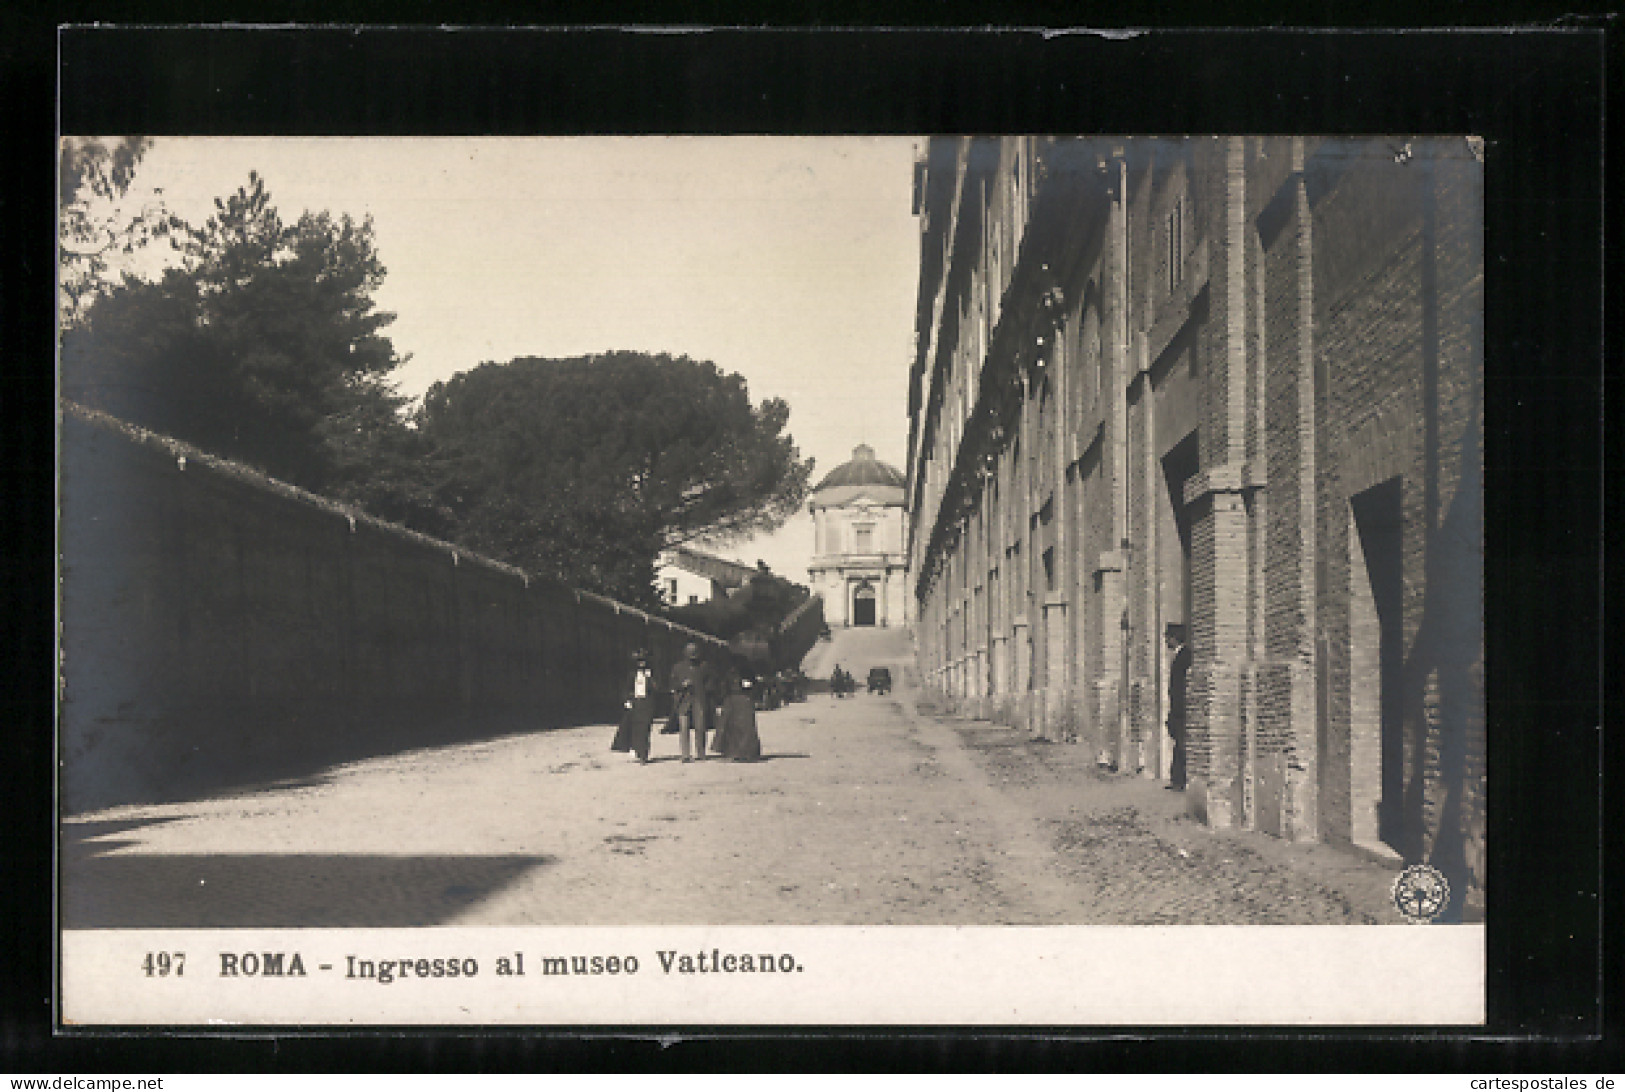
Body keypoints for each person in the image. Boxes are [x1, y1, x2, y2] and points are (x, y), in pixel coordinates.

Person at [610, 649, 657, 764]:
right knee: (636, 728)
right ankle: (638, 750)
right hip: (636, 702)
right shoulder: (632, 674)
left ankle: (644, 754)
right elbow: (627, 688)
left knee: (645, 729)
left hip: (647, 703)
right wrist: (627, 700)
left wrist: (649, 678)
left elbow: (656, 688)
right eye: (640, 661)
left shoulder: (651, 673)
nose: (642, 663)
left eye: (644, 661)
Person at [669, 642, 712, 763]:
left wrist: (706, 692)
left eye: (694, 652)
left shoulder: (704, 666)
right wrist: (681, 685)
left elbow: (710, 682)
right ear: (685, 653)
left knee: (700, 727)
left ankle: (701, 753)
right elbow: (672, 684)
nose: (693, 655)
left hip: (699, 699)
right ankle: (685, 754)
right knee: (684, 728)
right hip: (683, 700)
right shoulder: (678, 667)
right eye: (690, 652)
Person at [712, 666, 763, 761]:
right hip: (736, 699)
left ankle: (743, 752)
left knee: (742, 726)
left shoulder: (744, 673)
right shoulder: (728, 674)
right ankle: (737, 752)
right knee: (734, 726)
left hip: (738, 699)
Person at [1165, 624, 1191, 791]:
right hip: (1177, 709)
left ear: (1174, 638)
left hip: (1182, 709)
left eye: (1167, 637)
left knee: (1182, 744)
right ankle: (1177, 779)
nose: (1166, 640)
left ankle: (1181, 780)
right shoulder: (1179, 655)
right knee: (1178, 742)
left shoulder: (1185, 656)